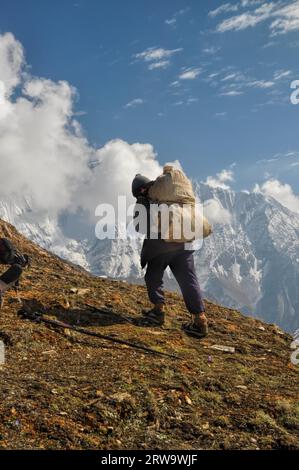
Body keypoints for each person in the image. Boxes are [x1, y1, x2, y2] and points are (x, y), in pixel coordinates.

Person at [132, 174, 208, 338]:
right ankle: (199, 319)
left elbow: (140, 227)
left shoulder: (146, 199)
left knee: (153, 276)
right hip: (184, 242)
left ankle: (158, 311)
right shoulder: (171, 197)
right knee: (189, 280)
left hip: (161, 245)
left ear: (139, 190)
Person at [0, 238, 29, 308]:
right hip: (6, 256)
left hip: (4, 255)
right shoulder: (18, 259)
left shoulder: (14, 253)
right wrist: (16, 286)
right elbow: (16, 271)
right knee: (17, 270)